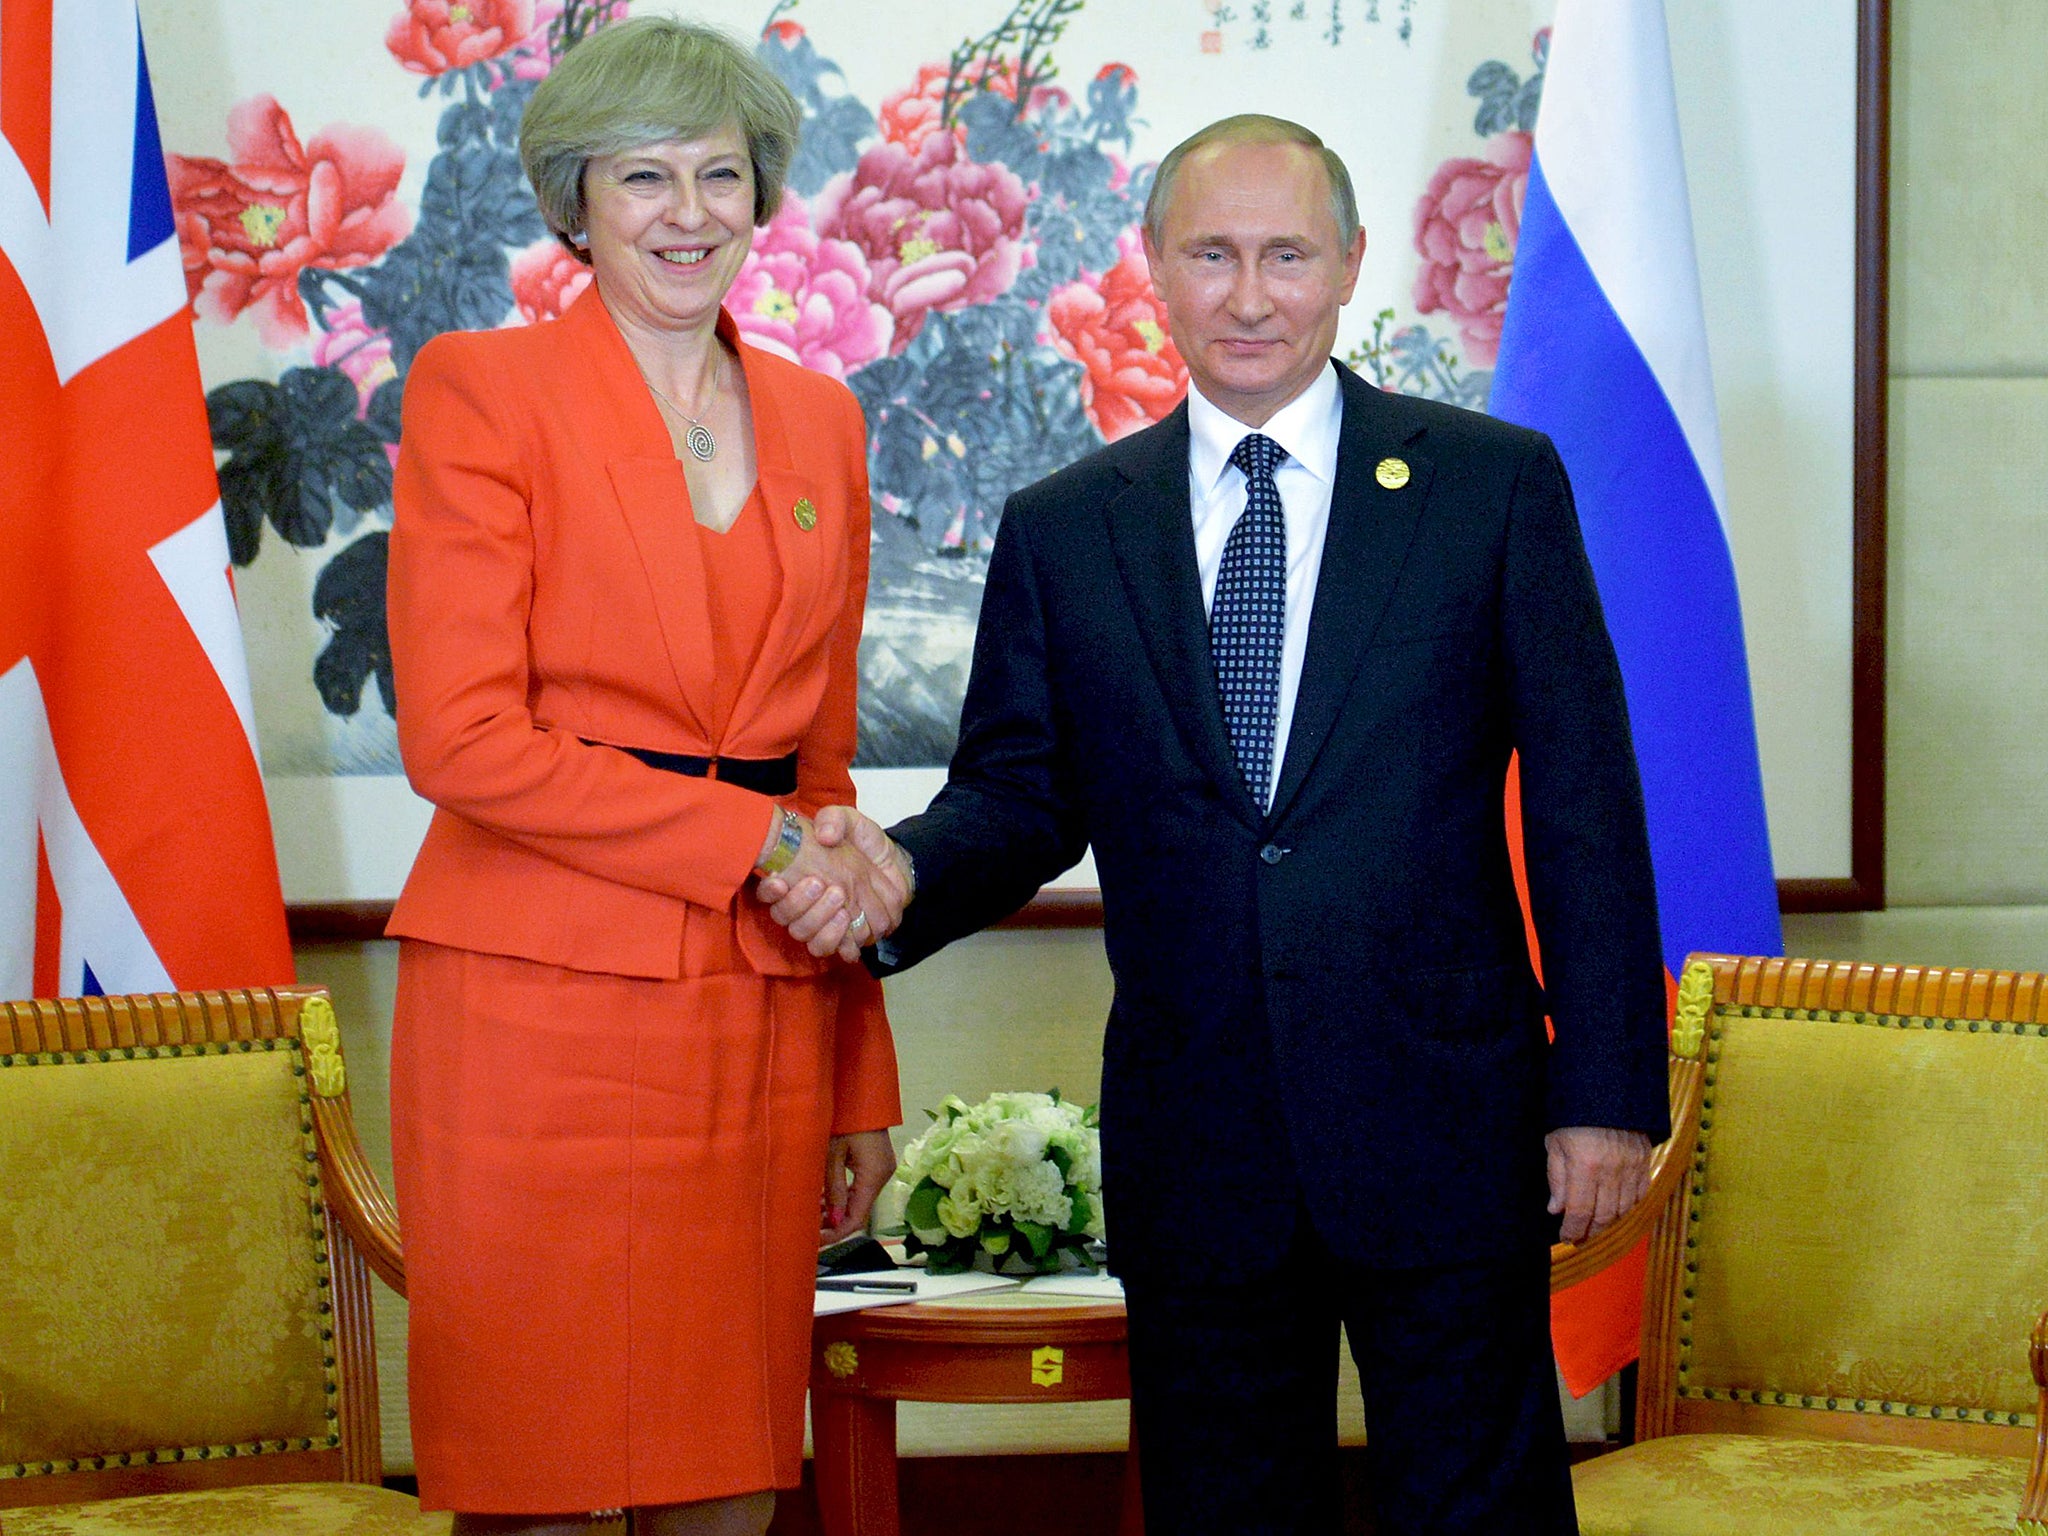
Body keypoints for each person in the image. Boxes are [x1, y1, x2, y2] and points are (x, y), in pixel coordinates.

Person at [764, 115, 1670, 1534]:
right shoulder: (1072, 526)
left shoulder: (1490, 488)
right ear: (1158, 273)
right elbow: (1020, 793)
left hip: (1446, 1126)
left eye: (1287, 255)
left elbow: (1586, 808)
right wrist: (894, 877)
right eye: (1213, 256)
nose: (1251, 297)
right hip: (1202, 1140)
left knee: (1476, 1507)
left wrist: (1606, 1091)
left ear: (1352, 265)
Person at [382, 18, 909, 1535]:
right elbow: (464, 742)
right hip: (532, 1020)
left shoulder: (823, 417)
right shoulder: (484, 390)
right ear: (575, 202)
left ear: (761, 198)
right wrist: (751, 843)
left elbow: (817, 772)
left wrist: (857, 1072)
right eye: (643, 177)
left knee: (730, 1482)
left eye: (721, 176)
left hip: (756, 1022)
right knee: (543, 1487)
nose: (688, 212)